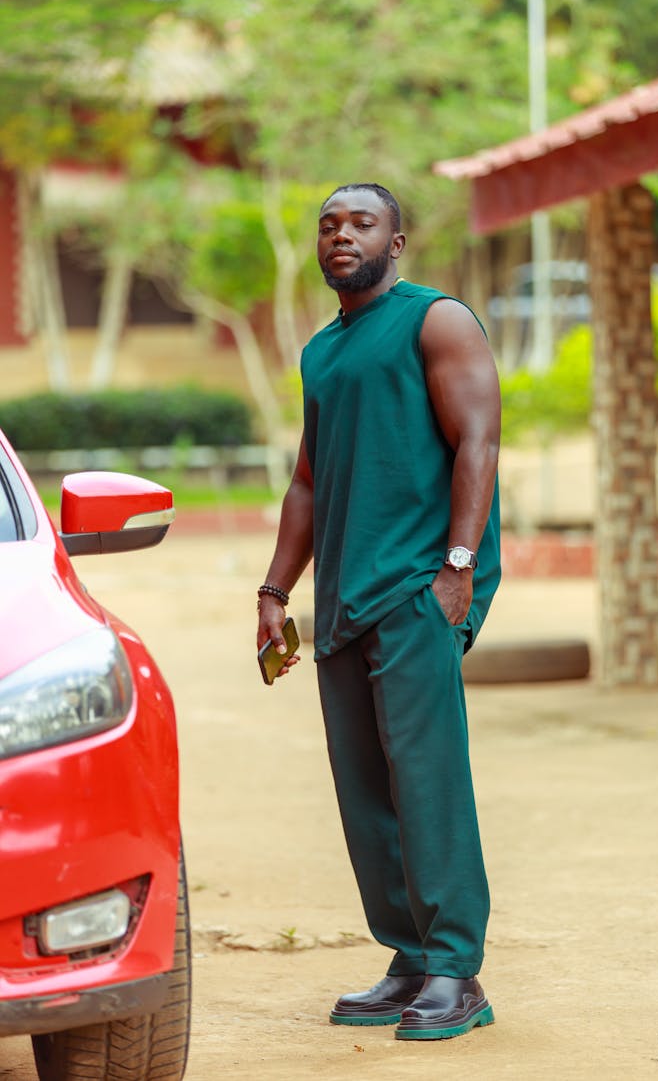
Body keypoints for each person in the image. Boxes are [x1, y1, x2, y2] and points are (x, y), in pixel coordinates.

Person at [256, 182, 501, 1042]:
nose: (341, 235)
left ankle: (456, 969)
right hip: (344, 598)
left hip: (416, 586)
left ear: (396, 241)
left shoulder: (436, 320)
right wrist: (275, 590)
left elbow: (480, 437)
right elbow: (310, 483)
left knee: (427, 779)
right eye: (328, 226)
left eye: (361, 222)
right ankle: (408, 955)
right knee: (368, 787)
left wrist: (459, 569)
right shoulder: (323, 351)